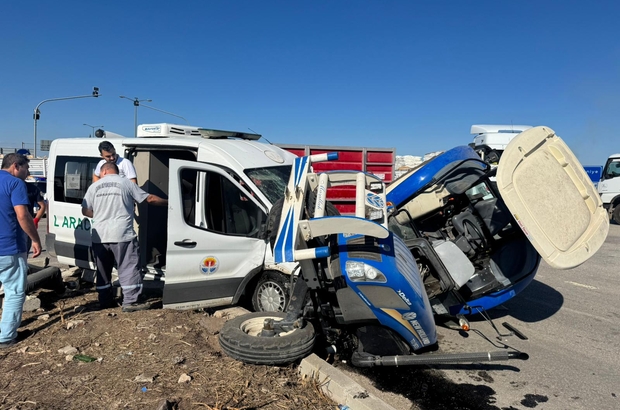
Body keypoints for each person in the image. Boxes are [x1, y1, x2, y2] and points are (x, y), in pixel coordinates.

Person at [81, 162, 167, 312]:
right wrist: (170, 203)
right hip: (122, 234)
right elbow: (150, 199)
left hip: (99, 236)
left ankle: (105, 300)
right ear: (116, 171)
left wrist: (101, 216)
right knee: (128, 267)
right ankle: (131, 302)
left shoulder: (94, 187)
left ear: (104, 172)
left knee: (102, 270)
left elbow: (85, 210)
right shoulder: (125, 183)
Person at [0, 153, 42, 348]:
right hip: (9, 247)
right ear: (16, 166)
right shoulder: (16, 184)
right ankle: (7, 336)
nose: (28, 172)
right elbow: (22, 216)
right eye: (27, 168)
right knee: (14, 292)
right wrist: (35, 239)